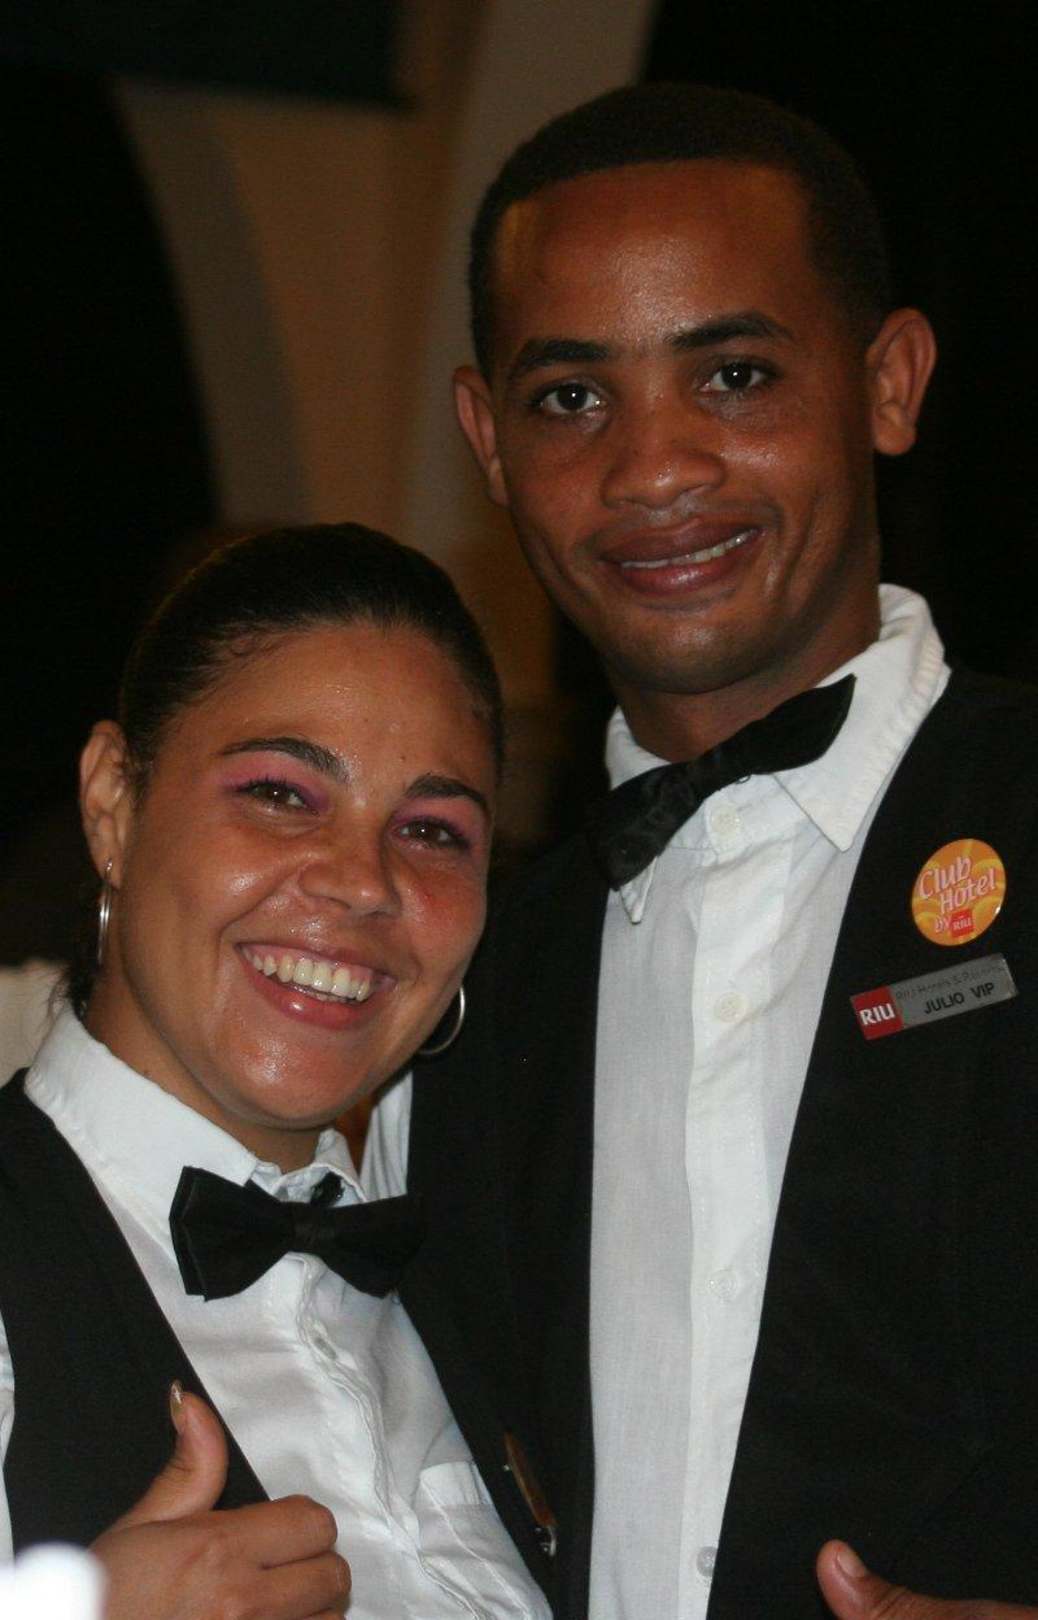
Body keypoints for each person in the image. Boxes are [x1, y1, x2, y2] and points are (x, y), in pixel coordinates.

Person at [365, 84, 1038, 1620]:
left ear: (886, 382)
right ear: (484, 440)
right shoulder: (462, 997)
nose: (653, 469)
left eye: (732, 375)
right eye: (569, 399)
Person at [0, 523, 551, 1620]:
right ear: (113, 804)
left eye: (433, 831)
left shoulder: (495, 1288)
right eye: (282, 794)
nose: (362, 881)